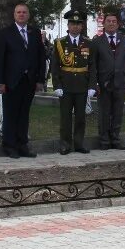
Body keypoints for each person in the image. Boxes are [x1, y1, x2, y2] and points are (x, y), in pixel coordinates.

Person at [0, 2, 45, 158]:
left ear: (28, 15)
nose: (21, 14)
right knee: (10, 114)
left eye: (24, 12)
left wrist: (40, 79)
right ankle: (9, 146)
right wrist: (0, 82)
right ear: (14, 15)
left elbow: (41, 57)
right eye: (18, 12)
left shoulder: (35, 33)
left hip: (29, 80)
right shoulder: (5, 33)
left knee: (24, 114)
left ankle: (22, 145)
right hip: (11, 81)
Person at [89, 9, 125, 151]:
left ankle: (115, 139)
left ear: (118, 24)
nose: (111, 24)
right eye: (108, 21)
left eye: (114, 21)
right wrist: (94, 83)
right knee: (104, 113)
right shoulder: (97, 41)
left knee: (118, 112)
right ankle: (104, 140)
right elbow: (93, 64)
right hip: (103, 84)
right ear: (104, 24)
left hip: (120, 82)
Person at [50, 9, 93, 155]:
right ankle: (65, 144)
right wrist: (57, 85)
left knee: (81, 117)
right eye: (72, 23)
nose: (75, 26)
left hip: (82, 85)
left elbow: (92, 66)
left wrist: (92, 86)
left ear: (82, 26)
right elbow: (54, 66)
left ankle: (79, 144)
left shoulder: (88, 43)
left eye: (78, 24)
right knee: (65, 117)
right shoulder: (60, 43)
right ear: (68, 25)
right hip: (66, 86)